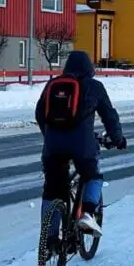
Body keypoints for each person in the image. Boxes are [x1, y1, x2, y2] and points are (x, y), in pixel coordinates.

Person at [35, 51, 126, 241]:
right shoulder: (94, 87)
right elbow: (109, 116)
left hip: (52, 147)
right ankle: (88, 214)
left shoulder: (53, 84)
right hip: (82, 145)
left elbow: (39, 114)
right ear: (89, 68)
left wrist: (50, 136)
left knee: (52, 188)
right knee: (93, 175)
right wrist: (118, 139)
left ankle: (49, 236)